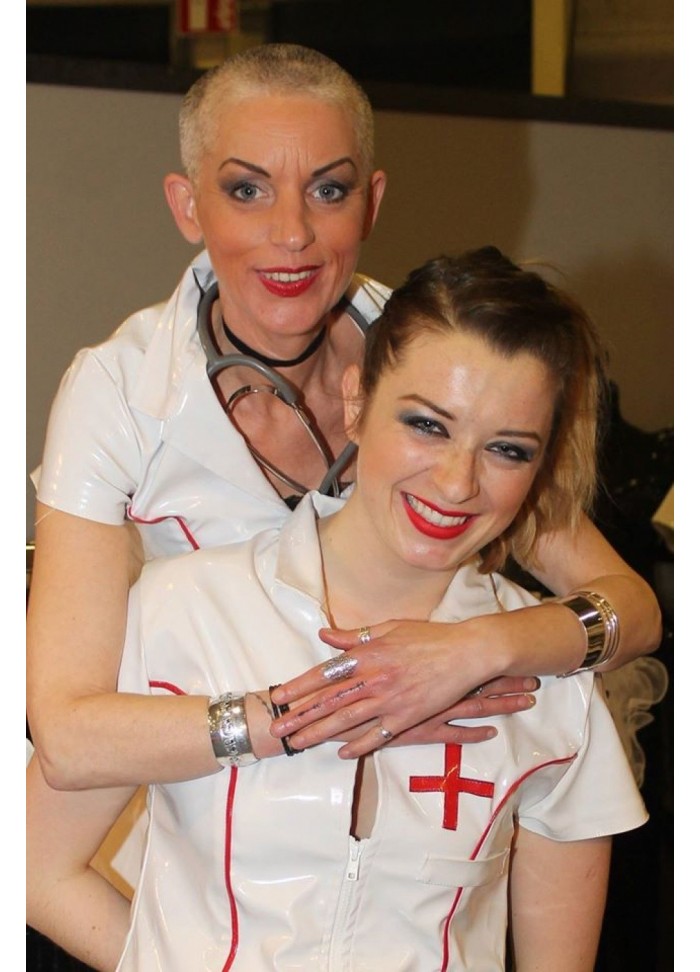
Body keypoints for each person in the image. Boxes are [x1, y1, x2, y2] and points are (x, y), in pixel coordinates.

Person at [27, 44, 659, 842]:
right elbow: (68, 733)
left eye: (329, 190)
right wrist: (321, 711)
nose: (292, 233)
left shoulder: (433, 357)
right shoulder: (119, 392)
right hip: (179, 827)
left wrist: (473, 652)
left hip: (403, 828)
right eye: (247, 190)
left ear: (371, 202)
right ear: (188, 207)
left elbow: (629, 608)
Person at [27, 248, 648, 971]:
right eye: (427, 425)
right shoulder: (185, 614)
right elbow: (34, 865)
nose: (457, 483)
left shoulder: (551, 687)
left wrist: (478, 652)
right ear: (356, 403)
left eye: (508, 449)